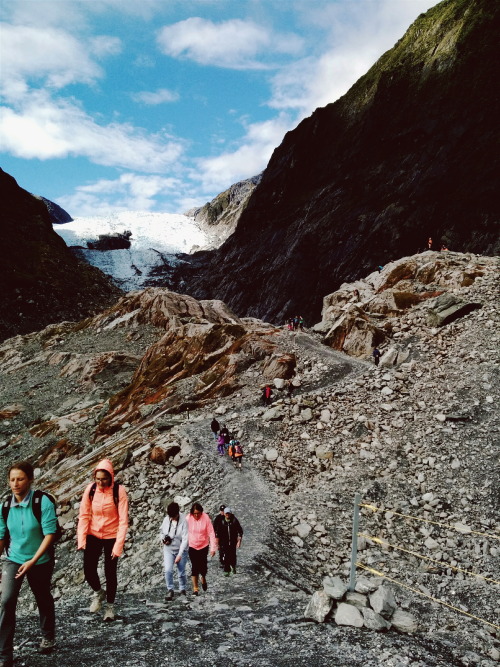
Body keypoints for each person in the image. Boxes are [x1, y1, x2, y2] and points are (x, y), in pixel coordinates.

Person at [0, 461, 58, 665]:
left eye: (20, 479)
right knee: (7, 600)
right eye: (12, 479)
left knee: (42, 596)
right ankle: (4, 654)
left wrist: (32, 561)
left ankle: (48, 635)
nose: (15, 483)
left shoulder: (42, 502)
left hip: (40, 559)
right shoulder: (5, 506)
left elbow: (50, 534)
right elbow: (1, 536)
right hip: (14, 558)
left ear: (30, 479)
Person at [77, 459, 129, 622]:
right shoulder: (90, 490)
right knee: (88, 569)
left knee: (110, 572)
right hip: (93, 534)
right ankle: (99, 592)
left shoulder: (119, 491)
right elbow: (84, 515)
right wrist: (81, 539)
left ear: (111, 477)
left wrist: (118, 546)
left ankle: (110, 607)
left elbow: (123, 521)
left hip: (112, 536)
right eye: (97, 479)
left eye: (104, 479)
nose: (100, 482)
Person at [186, 503, 216, 596]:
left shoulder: (206, 518)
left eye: (198, 513)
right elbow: (183, 531)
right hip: (192, 545)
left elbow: (211, 533)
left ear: (201, 512)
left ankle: (203, 577)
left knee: (203, 567)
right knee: (194, 566)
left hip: (203, 545)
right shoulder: (188, 519)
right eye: (194, 513)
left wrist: (213, 548)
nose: (196, 515)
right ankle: (195, 589)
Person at [160, 502, 188, 601]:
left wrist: (180, 554)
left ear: (177, 513)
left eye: (174, 516)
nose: (172, 518)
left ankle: (182, 589)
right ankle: (170, 589)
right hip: (168, 549)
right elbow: (162, 532)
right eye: (170, 516)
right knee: (168, 570)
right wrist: (163, 539)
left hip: (181, 549)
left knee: (181, 572)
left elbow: (185, 539)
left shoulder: (184, 520)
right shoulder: (166, 520)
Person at [215, 507, 243, 577]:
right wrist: (217, 543)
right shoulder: (222, 522)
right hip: (224, 542)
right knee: (226, 555)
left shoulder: (234, 520)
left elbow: (240, 530)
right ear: (224, 514)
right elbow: (218, 533)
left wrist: (239, 540)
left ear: (230, 513)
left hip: (233, 541)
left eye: (228, 513)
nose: (227, 515)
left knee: (233, 555)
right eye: (226, 513)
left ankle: (233, 566)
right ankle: (226, 570)